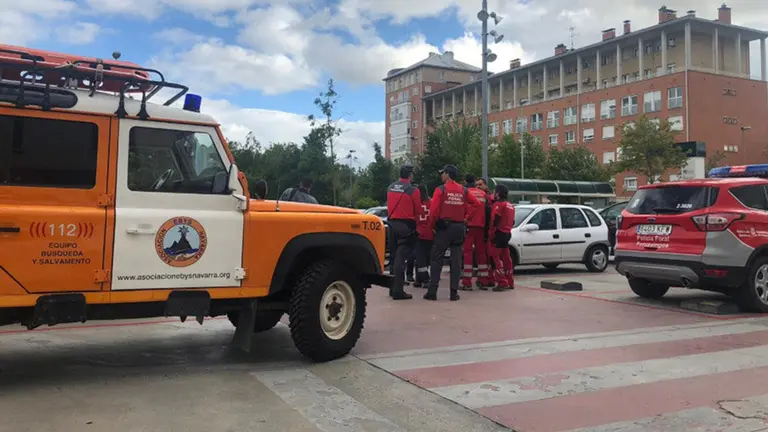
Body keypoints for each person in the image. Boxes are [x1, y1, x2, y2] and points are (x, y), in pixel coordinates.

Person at [425, 165, 481, 301]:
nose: (441, 175)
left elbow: (433, 211)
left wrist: (431, 226)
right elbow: (477, 205)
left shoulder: (441, 190)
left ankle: (432, 292)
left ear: (448, 174)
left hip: (444, 228)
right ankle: (454, 293)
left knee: (436, 258)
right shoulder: (463, 190)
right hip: (459, 227)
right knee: (456, 260)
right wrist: (467, 219)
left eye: (442, 173)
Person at [386, 165, 422, 300]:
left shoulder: (390, 187)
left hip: (391, 225)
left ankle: (391, 288)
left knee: (393, 257)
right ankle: (398, 290)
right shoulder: (413, 190)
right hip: (406, 226)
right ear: (410, 175)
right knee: (401, 259)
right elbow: (418, 210)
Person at [461, 174, 492, 291]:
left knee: (468, 253)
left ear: (465, 181)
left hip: (468, 225)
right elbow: (487, 210)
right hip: (481, 225)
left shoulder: (465, 192)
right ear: (474, 181)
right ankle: (483, 280)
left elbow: (463, 208)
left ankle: (467, 282)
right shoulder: (483, 194)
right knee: (481, 253)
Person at [487, 184, 515, 291]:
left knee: (496, 258)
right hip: (507, 233)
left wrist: (491, 233)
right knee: (506, 258)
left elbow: (495, 220)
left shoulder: (498, 205)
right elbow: (512, 222)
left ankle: (502, 282)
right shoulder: (510, 205)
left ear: (498, 194)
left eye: (494, 192)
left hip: (498, 234)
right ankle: (510, 281)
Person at [413, 183, 433, 288]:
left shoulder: (416, 203)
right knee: (426, 258)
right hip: (430, 233)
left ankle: (422, 279)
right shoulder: (431, 202)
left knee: (420, 258)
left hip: (418, 233)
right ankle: (420, 279)